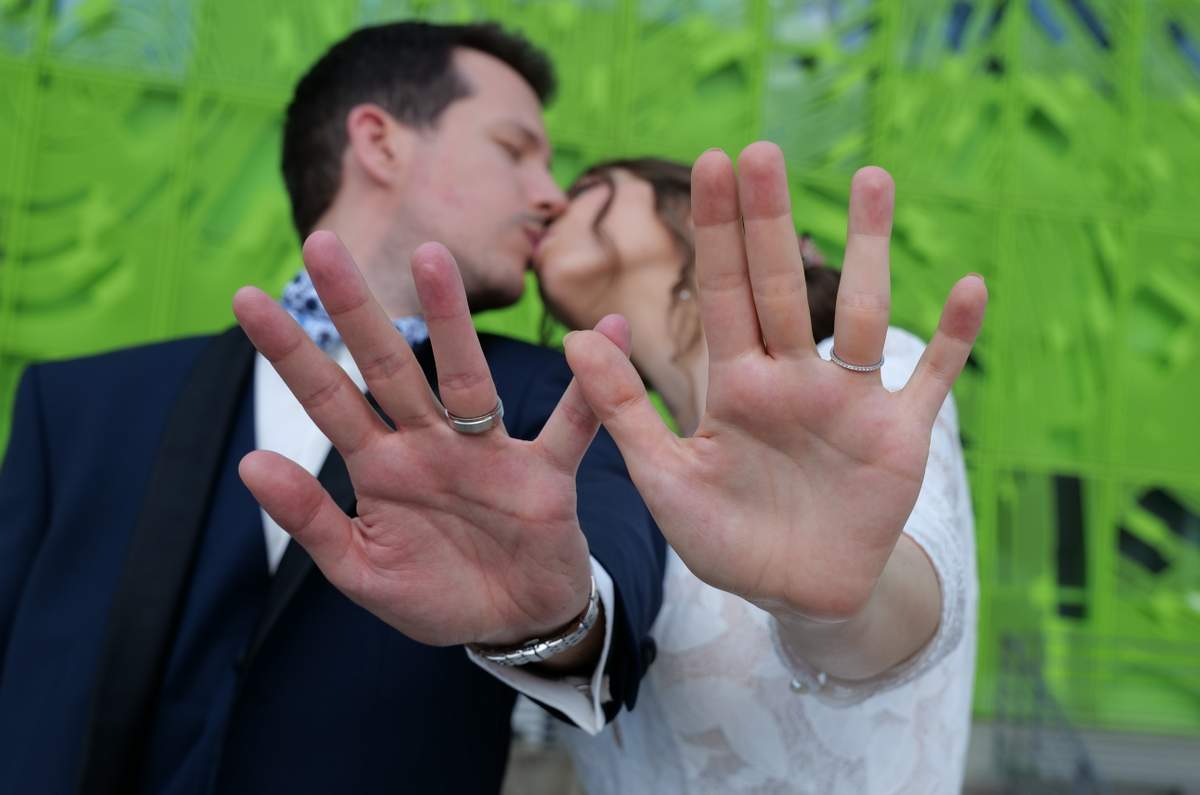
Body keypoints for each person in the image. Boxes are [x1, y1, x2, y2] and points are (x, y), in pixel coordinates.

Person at [0, 22, 666, 794]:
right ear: (380, 143)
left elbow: (612, 635)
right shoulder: (77, 407)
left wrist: (551, 618)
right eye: (516, 149)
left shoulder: (552, 403)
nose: (550, 194)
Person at [532, 148, 985, 792]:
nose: (550, 202)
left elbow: (913, 606)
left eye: (588, 185)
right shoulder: (623, 474)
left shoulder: (858, 382)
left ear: (688, 215)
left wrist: (839, 609)